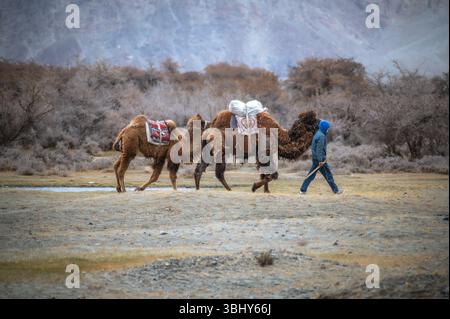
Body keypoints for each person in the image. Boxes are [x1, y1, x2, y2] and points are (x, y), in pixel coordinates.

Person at [300, 120, 343, 195]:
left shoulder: (318, 134)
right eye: (327, 128)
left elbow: (315, 149)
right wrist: (321, 161)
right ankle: (336, 190)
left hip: (316, 159)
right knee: (328, 175)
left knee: (311, 175)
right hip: (320, 160)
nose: (328, 129)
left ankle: (303, 190)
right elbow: (319, 150)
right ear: (324, 128)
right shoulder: (321, 136)